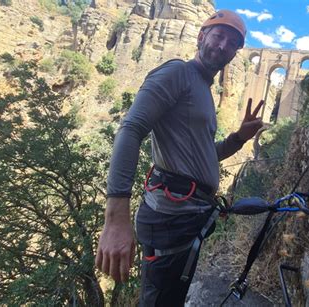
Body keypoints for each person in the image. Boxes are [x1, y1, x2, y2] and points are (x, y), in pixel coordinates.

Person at [95, 9, 264, 306]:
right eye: (218, 35)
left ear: (235, 53)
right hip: (170, 215)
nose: (223, 45)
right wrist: (115, 218)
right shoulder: (178, 73)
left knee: (172, 297)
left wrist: (239, 138)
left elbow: (204, 157)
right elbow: (131, 129)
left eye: (233, 43)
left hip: (189, 215)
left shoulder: (203, 90)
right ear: (201, 36)